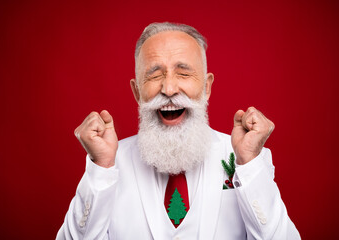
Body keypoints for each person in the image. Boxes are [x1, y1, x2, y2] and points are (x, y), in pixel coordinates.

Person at [56, 22, 300, 240]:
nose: (169, 89)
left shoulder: (246, 159)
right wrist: (100, 170)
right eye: (154, 75)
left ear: (206, 87)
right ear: (137, 92)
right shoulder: (108, 164)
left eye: (183, 73)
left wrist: (248, 164)